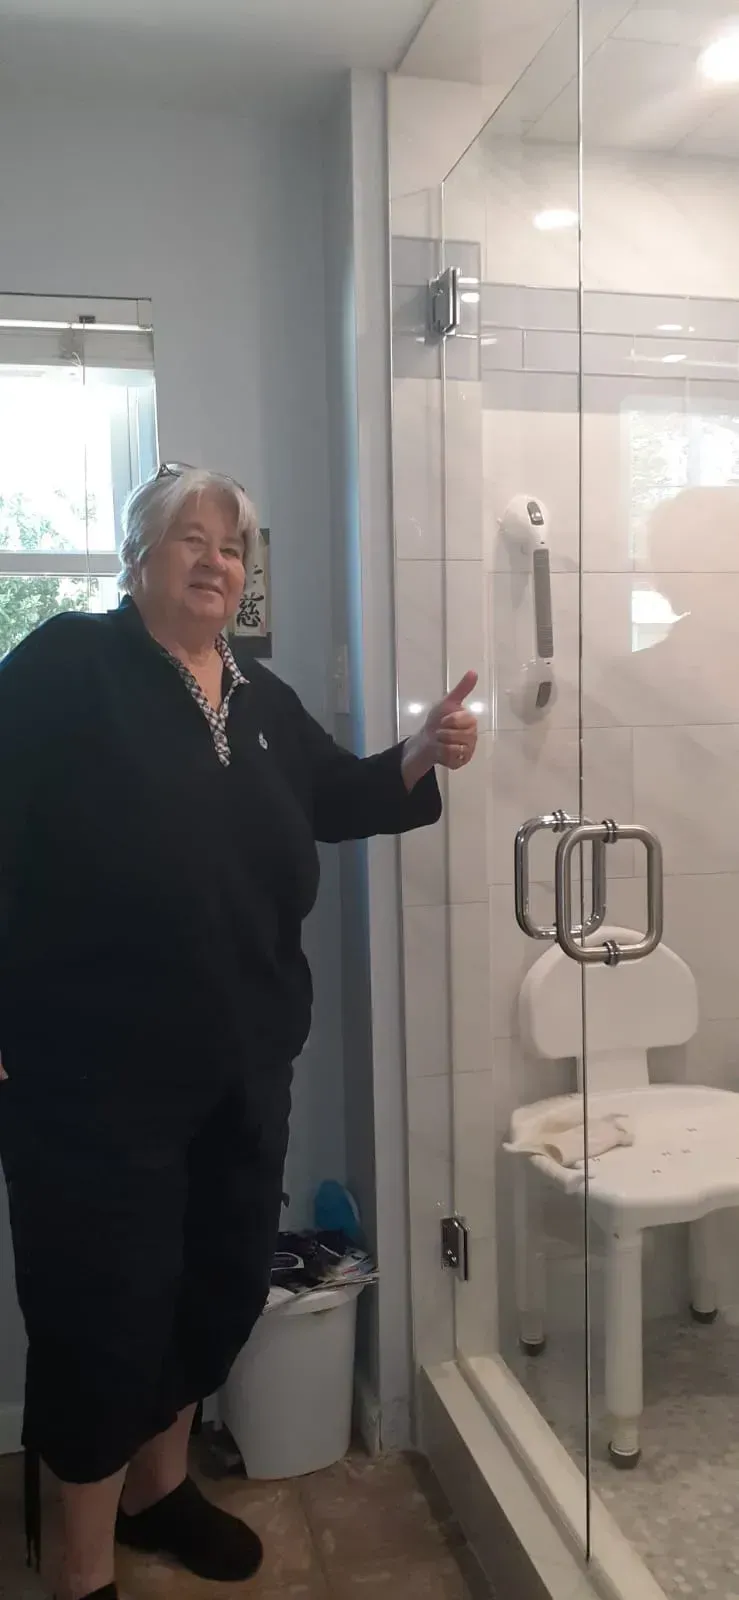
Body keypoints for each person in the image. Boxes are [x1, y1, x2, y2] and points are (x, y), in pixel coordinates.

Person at [0, 464, 479, 1600]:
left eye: (234, 546)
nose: (217, 560)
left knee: (211, 1288)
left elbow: (337, 797)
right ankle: (78, 1566)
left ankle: (161, 1490)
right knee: (100, 1311)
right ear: (138, 557)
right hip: (87, 1076)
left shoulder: (257, 700)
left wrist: (421, 750)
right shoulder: (68, 666)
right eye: (192, 539)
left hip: (242, 1061)